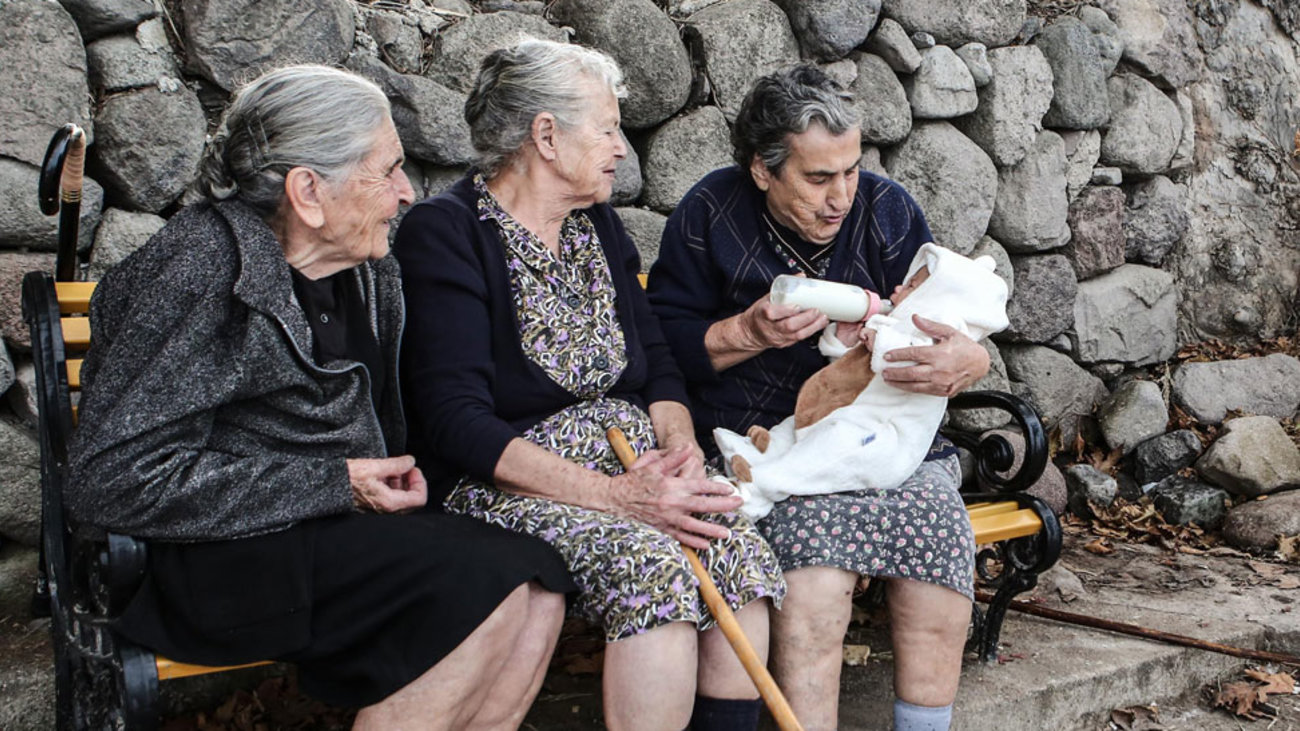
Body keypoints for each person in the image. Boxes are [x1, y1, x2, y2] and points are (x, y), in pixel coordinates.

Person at [67, 65, 575, 730]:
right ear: (308, 190)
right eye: (387, 169)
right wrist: (334, 482)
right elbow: (107, 478)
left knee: (539, 581)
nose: (404, 194)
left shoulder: (371, 272)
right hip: (220, 555)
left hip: (334, 537)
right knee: (486, 587)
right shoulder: (199, 266)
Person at [394, 39, 786, 731]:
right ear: (546, 135)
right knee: (652, 565)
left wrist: (679, 446)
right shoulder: (447, 233)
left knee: (734, 548)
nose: (619, 149)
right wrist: (616, 497)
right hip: (509, 485)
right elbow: (456, 419)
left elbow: (659, 362)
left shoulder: (596, 225)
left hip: (633, 467)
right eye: (606, 128)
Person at [648, 65, 993, 731]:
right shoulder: (710, 212)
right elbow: (661, 348)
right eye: (817, 177)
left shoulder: (885, 209)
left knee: (940, 539)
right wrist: (745, 331)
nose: (840, 196)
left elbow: (953, 319)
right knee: (814, 572)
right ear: (762, 170)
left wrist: (966, 359)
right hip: (764, 448)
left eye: (850, 170)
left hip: (884, 437)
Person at [714, 243, 1010, 521]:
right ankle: (752, 455)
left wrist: (879, 339)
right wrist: (843, 340)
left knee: (832, 446)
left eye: (911, 286)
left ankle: (759, 490)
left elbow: (912, 360)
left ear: (936, 296)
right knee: (796, 428)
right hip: (847, 414)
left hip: (882, 442)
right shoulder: (894, 324)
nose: (898, 288)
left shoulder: (938, 335)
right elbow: (851, 369)